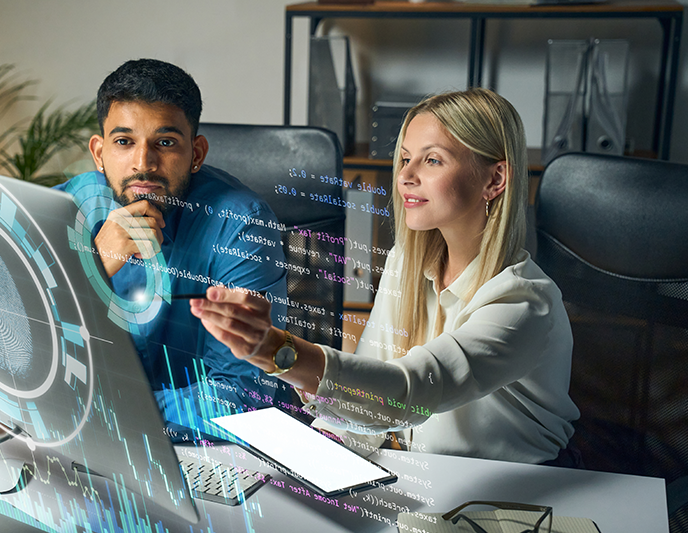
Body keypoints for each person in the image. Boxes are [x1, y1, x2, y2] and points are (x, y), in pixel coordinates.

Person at [190, 88, 581, 465]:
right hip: (434, 481)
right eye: (405, 158)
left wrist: (279, 351)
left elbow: (408, 391)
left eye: (432, 160)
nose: (406, 176)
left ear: (494, 180)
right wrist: (325, 444)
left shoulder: (525, 302)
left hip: (519, 499)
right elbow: (369, 386)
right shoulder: (405, 261)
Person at [55, 59, 291, 437]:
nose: (143, 164)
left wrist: (101, 409)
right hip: (86, 442)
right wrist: (91, 264)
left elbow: (240, 396)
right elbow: (21, 335)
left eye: (165, 143)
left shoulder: (242, 226)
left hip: (208, 455)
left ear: (196, 154)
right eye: (124, 141)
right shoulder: (66, 207)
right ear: (99, 153)